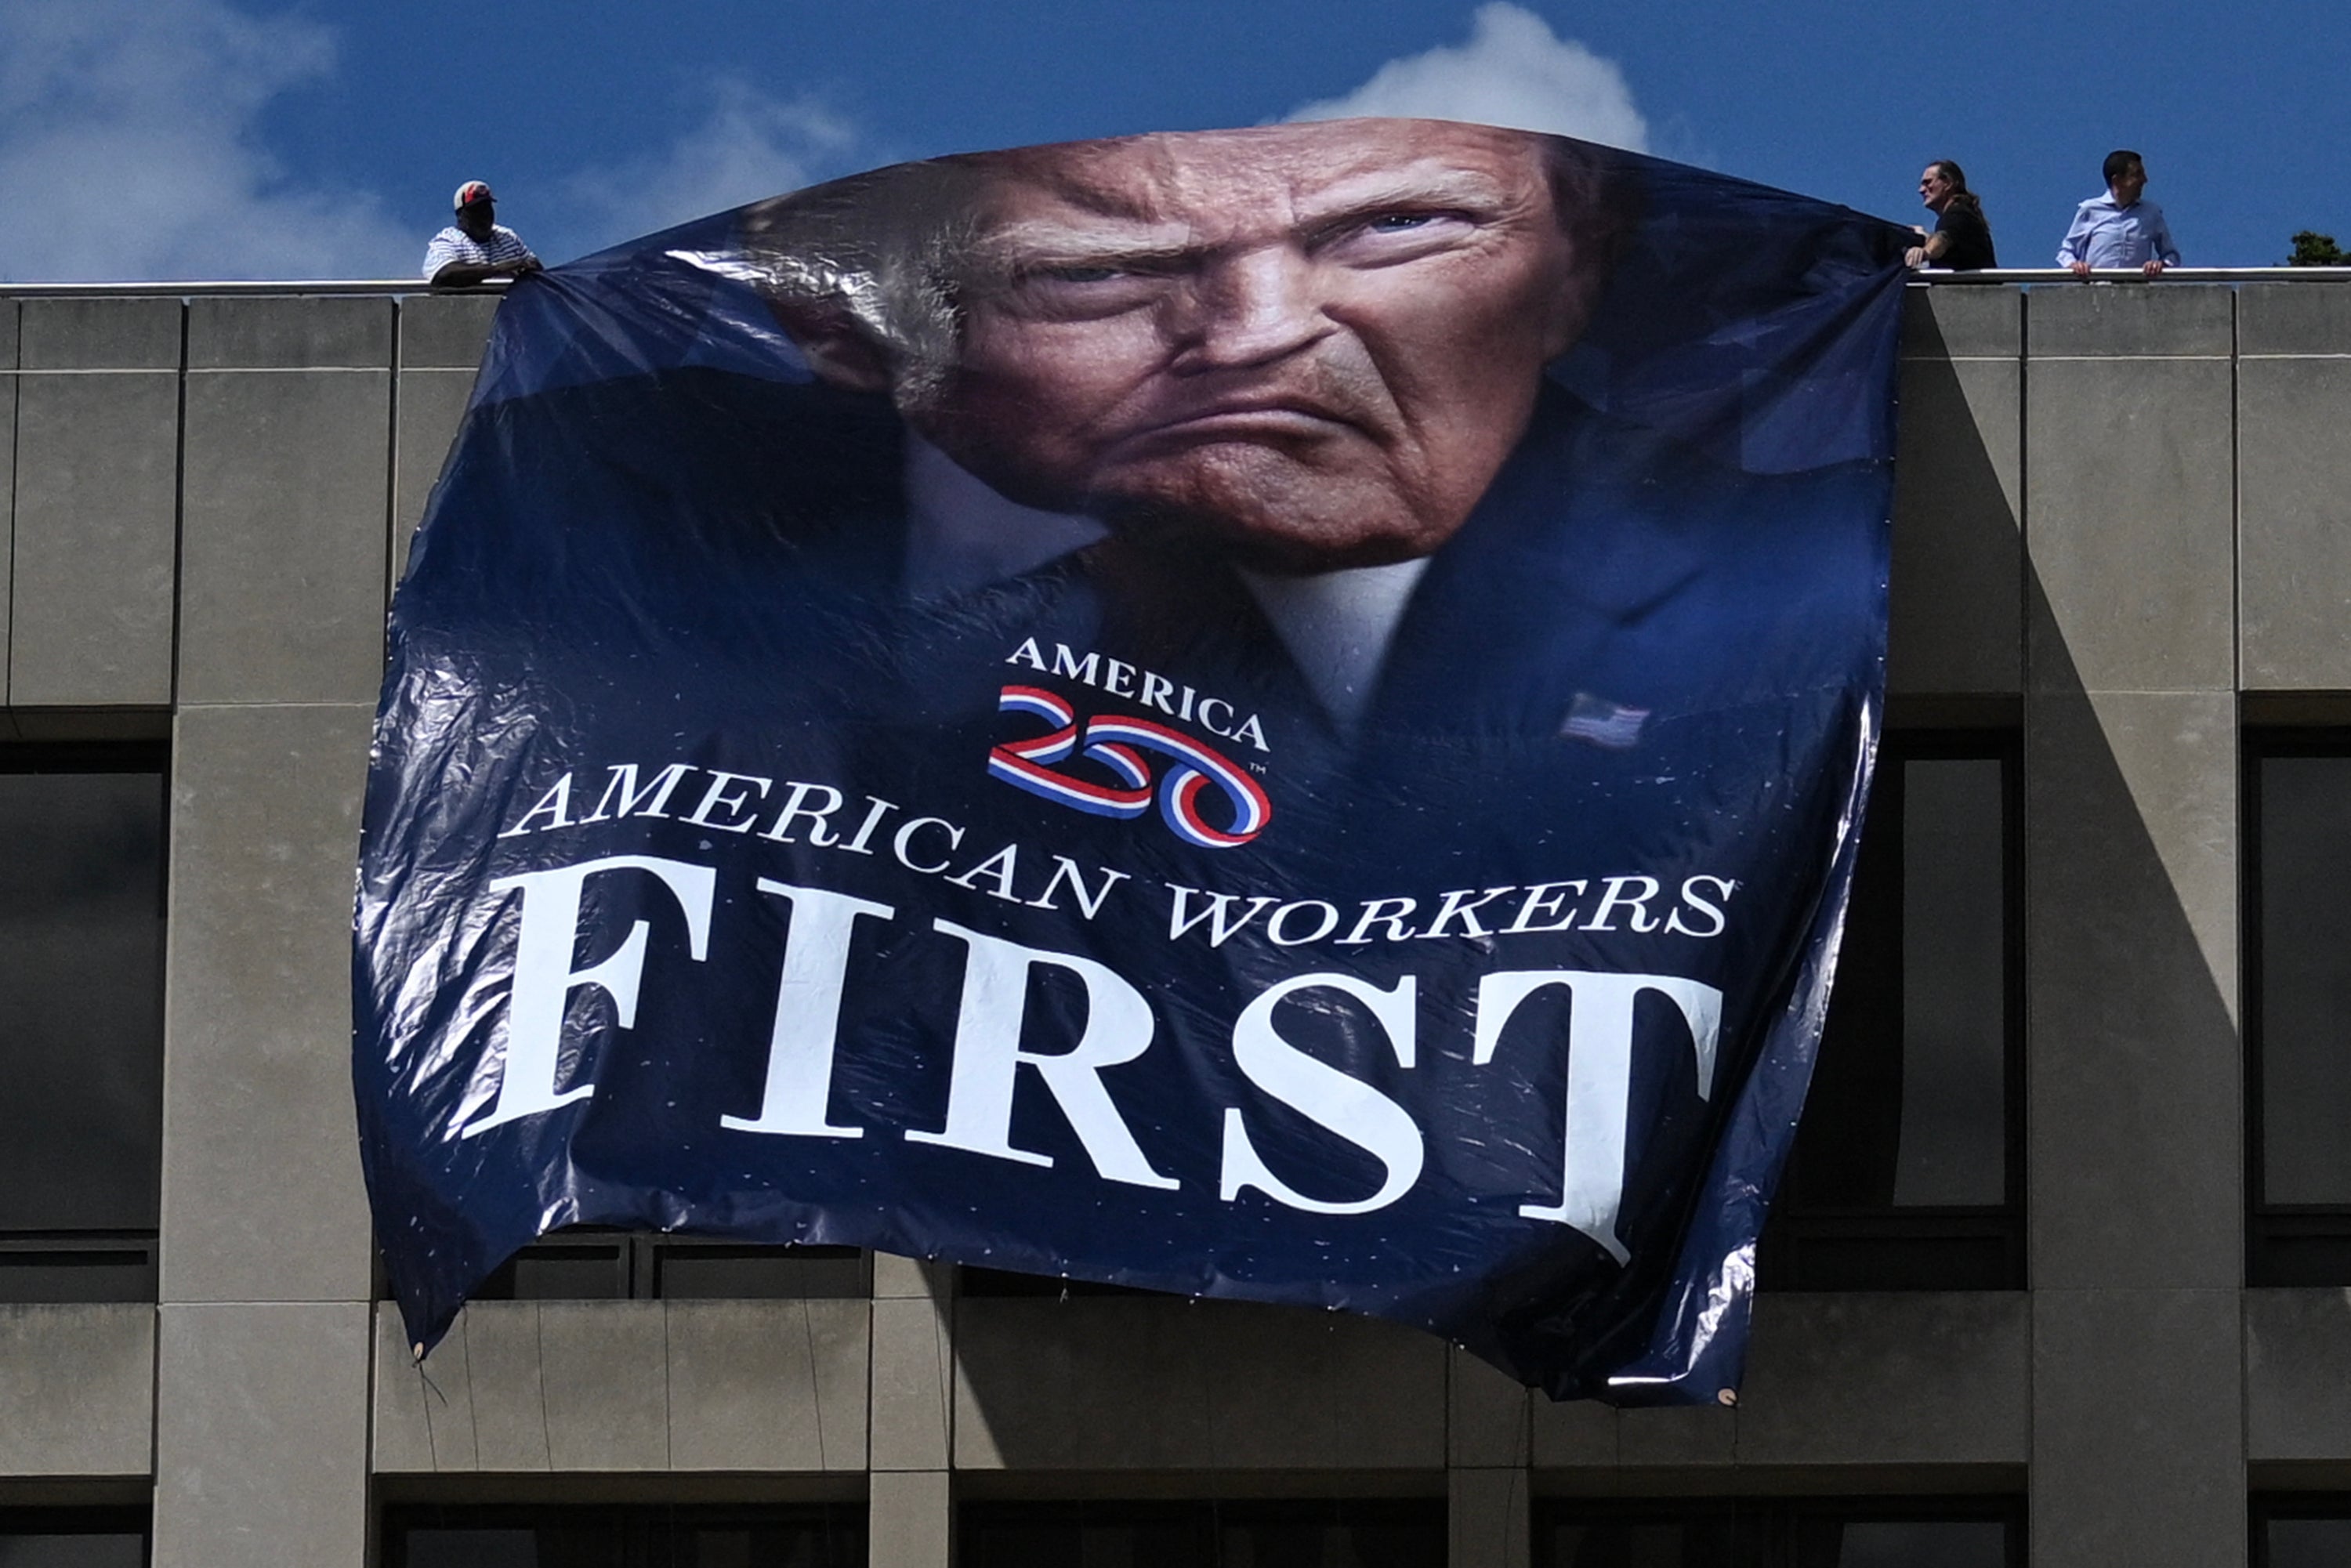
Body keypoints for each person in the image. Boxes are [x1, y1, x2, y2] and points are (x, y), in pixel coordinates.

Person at [2058, 150, 2179, 277]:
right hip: (2096, 290)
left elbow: (2171, 255)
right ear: (2118, 181)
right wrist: (2074, 265)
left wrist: (2160, 265)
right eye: (2137, 174)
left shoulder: (2151, 212)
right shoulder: (2091, 210)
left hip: (2137, 291)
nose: (2144, 180)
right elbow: (2066, 251)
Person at [425, 181, 542, 288]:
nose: (484, 215)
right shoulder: (448, 239)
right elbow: (444, 274)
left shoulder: (507, 236)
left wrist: (527, 267)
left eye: (487, 208)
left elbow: (536, 268)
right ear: (460, 215)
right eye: (476, 210)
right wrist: (499, 268)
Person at [1905, 160, 1997, 270]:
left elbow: (1943, 239)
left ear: (1948, 183)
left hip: (1971, 287)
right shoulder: (1963, 215)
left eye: (1928, 182)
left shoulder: (1958, 214)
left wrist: (1924, 253)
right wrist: (1924, 236)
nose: (1921, 190)